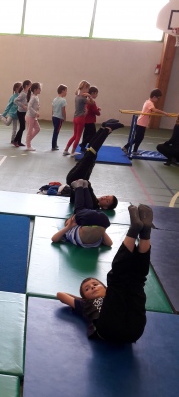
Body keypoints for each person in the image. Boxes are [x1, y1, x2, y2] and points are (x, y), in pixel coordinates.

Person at [56, 204, 153, 344]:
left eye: (95, 285)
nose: (92, 287)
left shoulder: (94, 300)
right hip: (113, 329)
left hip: (129, 325)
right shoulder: (85, 305)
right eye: (87, 289)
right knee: (133, 282)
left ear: (105, 288)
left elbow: (61, 294)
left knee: (132, 281)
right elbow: (60, 295)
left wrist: (85, 297)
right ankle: (136, 231)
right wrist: (83, 300)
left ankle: (143, 233)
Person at [66, 119, 123, 210]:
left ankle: (107, 129)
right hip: (76, 179)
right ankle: (103, 128)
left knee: (91, 153)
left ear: (105, 207)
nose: (104, 198)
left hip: (76, 179)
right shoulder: (94, 201)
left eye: (107, 201)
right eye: (107, 196)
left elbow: (87, 187)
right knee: (90, 152)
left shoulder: (94, 205)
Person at [51, 179, 112, 248]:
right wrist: (101, 230)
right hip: (101, 222)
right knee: (79, 209)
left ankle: (84, 187)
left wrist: (68, 227)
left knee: (88, 209)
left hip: (101, 221)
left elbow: (54, 239)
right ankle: (80, 187)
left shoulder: (68, 233)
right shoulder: (73, 228)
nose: (72, 218)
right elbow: (109, 243)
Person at [122, 89, 172, 155]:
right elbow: (154, 110)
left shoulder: (148, 102)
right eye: (158, 98)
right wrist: (164, 113)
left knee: (139, 138)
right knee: (138, 138)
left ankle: (134, 150)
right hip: (141, 123)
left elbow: (151, 110)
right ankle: (126, 147)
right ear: (154, 97)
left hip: (142, 123)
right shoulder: (149, 103)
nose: (158, 100)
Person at [63, 80, 91, 157]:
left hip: (75, 118)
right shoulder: (83, 98)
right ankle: (72, 151)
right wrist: (89, 96)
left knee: (74, 135)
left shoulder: (77, 97)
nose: (88, 90)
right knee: (78, 136)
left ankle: (66, 149)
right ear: (84, 88)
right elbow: (91, 103)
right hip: (81, 118)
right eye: (88, 89)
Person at [79, 86, 100, 152]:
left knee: (86, 134)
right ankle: (84, 144)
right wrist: (98, 111)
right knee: (93, 134)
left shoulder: (87, 101)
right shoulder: (92, 102)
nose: (97, 95)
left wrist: (97, 109)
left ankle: (83, 146)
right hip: (90, 121)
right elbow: (96, 112)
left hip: (85, 120)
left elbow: (90, 110)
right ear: (93, 93)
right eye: (96, 93)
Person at [12, 79, 31, 147]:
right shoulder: (22, 93)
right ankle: (15, 141)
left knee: (22, 127)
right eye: (30, 85)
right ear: (26, 86)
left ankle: (19, 142)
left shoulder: (27, 93)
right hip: (20, 112)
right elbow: (15, 101)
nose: (31, 86)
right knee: (22, 127)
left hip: (24, 112)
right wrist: (22, 105)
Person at [25, 82, 42, 151]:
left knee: (38, 129)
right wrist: (35, 113)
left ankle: (28, 140)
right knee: (29, 131)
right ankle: (28, 146)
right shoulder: (33, 97)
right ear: (35, 90)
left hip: (33, 117)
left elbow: (33, 106)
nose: (40, 90)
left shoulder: (36, 97)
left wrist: (37, 107)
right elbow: (29, 106)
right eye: (39, 88)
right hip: (30, 117)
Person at [51, 84, 67, 151]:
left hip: (54, 117)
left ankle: (55, 144)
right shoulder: (63, 100)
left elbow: (52, 109)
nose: (66, 92)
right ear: (62, 91)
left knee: (55, 131)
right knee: (56, 132)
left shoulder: (55, 99)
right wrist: (64, 117)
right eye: (66, 91)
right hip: (59, 118)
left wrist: (52, 115)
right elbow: (63, 110)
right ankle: (53, 145)